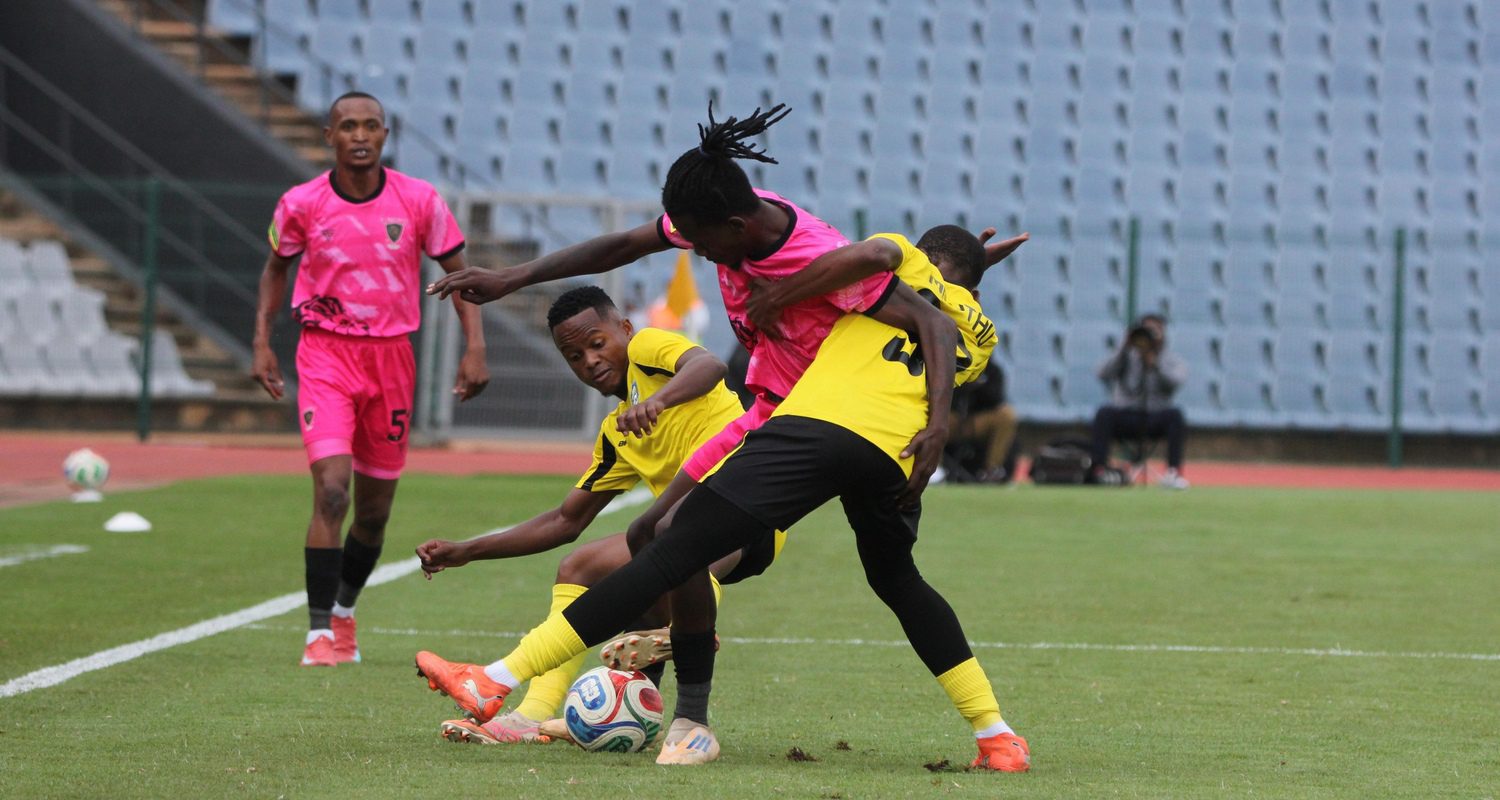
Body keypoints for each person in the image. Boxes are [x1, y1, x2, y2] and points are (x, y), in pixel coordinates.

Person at [415, 231, 1032, 773]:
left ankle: (505, 680)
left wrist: (779, 297)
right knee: (898, 579)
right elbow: (943, 299)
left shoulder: (890, 268)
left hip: (818, 427)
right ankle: (996, 736)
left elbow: (878, 260)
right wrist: (970, 268)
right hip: (898, 451)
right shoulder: (982, 332)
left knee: (666, 551)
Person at [413, 285, 781, 744]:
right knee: (580, 566)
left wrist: (660, 400)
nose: (588, 360)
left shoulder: (650, 350)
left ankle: (679, 630)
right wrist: (467, 550)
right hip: (681, 535)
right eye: (573, 356)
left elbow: (709, 366)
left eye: (596, 343)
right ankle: (534, 716)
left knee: (674, 538)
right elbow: (563, 522)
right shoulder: (617, 432)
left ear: (624, 329)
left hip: (749, 505)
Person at [251, 91, 489, 667]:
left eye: (372, 126)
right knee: (332, 490)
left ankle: (345, 613)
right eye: (348, 126)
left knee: (375, 512)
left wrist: (475, 345)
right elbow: (276, 268)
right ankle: (316, 635)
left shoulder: (420, 201)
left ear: (385, 135)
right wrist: (261, 340)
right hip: (325, 355)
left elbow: (462, 276)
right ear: (329, 135)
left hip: (390, 359)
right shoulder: (301, 203)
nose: (361, 135)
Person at [1089, 313, 1190, 489]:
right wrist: (1124, 348)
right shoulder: (1127, 356)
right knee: (1104, 413)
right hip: (1127, 415)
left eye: (1155, 330)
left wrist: (1155, 365)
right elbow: (1102, 373)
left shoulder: (1171, 359)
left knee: (1176, 415)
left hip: (1155, 417)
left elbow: (1176, 381)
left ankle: (1173, 472)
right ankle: (1100, 470)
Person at [946, 360, 1019, 483]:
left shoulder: (993, 370)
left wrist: (979, 386)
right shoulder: (952, 365)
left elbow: (996, 399)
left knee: (1007, 415)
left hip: (979, 419)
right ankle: (934, 469)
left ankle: (992, 469)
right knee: (929, 416)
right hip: (953, 418)